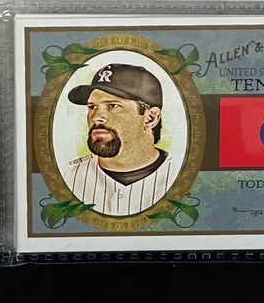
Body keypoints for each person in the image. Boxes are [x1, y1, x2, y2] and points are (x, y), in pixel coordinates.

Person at [62, 62, 179, 216]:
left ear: (150, 118)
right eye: (92, 107)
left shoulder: (182, 178)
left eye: (113, 106)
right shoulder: (67, 176)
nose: (96, 117)